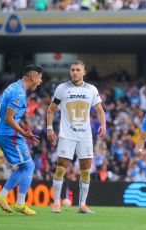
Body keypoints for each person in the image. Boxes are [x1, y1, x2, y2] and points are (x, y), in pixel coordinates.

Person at [47, 60, 106, 214]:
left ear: (84, 72)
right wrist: (49, 128)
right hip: (67, 135)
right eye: (72, 70)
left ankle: (83, 205)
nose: (75, 72)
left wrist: (103, 125)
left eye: (78, 70)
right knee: (60, 169)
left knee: (86, 171)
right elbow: (51, 110)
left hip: (85, 136)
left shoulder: (91, 89)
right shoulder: (62, 88)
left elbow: (99, 109)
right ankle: (56, 204)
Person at [0, 65, 42, 216]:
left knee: (24, 167)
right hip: (9, 134)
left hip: (6, 133)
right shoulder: (19, 92)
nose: (40, 82)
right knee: (29, 167)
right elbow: (9, 118)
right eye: (40, 78)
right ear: (33, 77)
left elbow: (10, 116)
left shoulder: (13, 87)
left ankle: (3, 196)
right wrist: (24, 133)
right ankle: (19, 203)